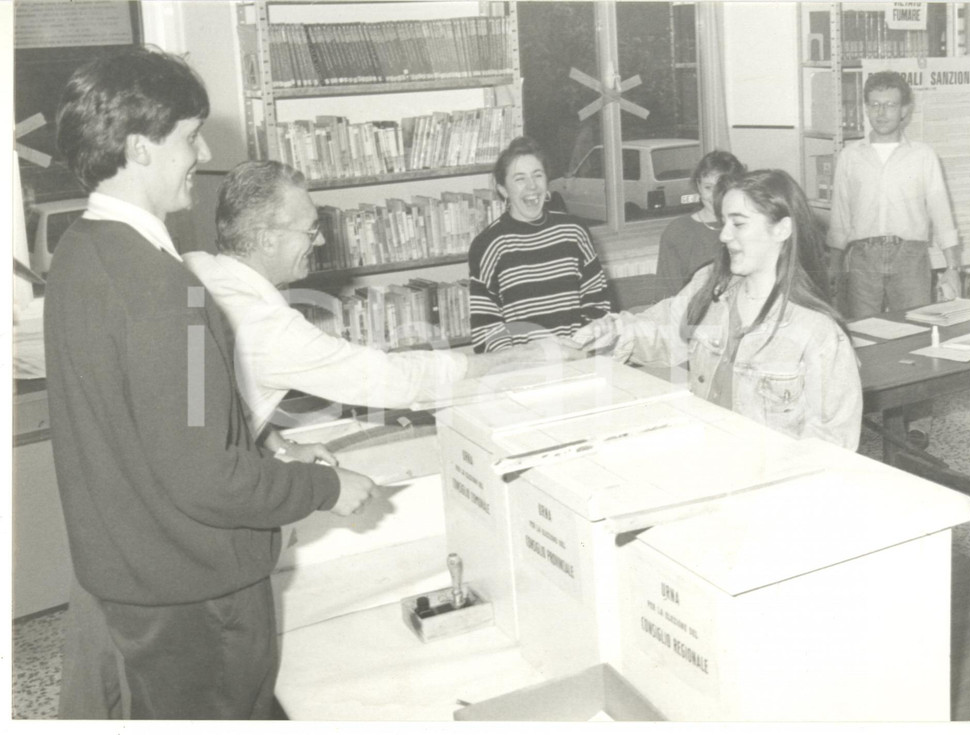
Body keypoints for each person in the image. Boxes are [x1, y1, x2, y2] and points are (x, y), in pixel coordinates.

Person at [46, 47, 373, 720]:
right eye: (189, 136)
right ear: (140, 147)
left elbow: (161, 432)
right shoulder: (175, 294)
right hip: (198, 597)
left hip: (130, 584)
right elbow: (208, 478)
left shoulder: (78, 254)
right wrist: (327, 487)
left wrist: (274, 454)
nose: (201, 153)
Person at [183, 159, 583, 451]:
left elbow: (220, 397)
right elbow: (392, 379)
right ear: (267, 238)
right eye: (311, 231)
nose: (320, 243)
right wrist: (521, 357)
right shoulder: (272, 330)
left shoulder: (192, 267)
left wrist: (281, 448)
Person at [575, 169, 862, 450]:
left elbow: (830, 446)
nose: (723, 235)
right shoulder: (711, 288)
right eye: (723, 222)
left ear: (782, 229)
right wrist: (610, 332)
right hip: (706, 457)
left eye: (738, 224)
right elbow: (662, 331)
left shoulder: (819, 332)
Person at [827, 70, 961, 319]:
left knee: (914, 329)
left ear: (904, 110)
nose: (881, 112)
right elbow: (840, 217)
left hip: (910, 257)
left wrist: (952, 268)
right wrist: (834, 266)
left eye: (890, 105)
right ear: (866, 108)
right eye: (875, 105)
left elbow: (941, 214)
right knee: (862, 333)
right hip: (862, 260)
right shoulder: (850, 156)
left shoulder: (923, 156)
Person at [468, 136, 612, 353]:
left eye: (538, 175)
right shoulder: (487, 245)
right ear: (503, 190)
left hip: (578, 357)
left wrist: (581, 345)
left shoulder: (574, 232)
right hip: (522, 367)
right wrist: (524, 357)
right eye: (519, 179)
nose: (532, 186)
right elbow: (485, 330)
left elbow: (598, 304)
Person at [654, 149, 746, 298]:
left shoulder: (748, 227)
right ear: (698, 186)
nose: (715, 196)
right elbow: (667, 297)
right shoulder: (678, 232)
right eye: (708, 187)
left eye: (723, 188)